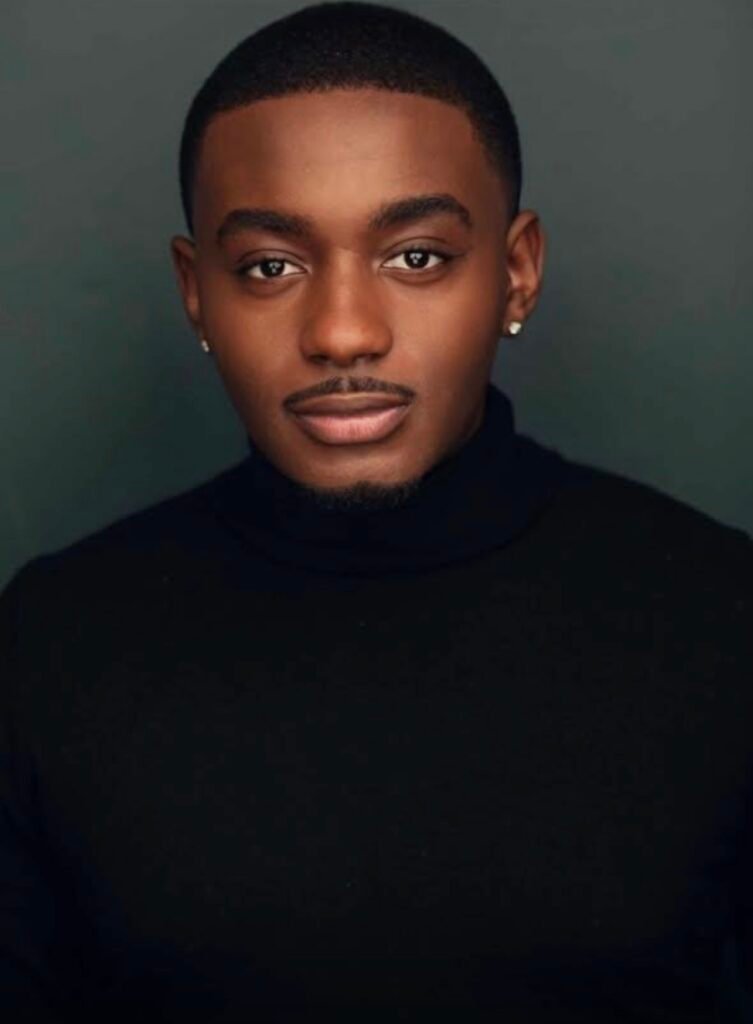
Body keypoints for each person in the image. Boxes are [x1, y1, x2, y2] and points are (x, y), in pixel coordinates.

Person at [1, 2, 751, 1019]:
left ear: (516, 272)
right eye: (270, 266)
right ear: (195, 292)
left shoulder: (720, 616)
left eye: (416, 257)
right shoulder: (51, 645)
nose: (343, 332)